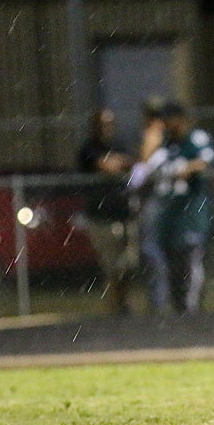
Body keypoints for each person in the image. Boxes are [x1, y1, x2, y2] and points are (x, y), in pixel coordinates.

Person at [147, 102, 214, 314]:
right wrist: (151, 141)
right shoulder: (165, 145)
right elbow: (145, 167)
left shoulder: (195, 139)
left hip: (191, 213)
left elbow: (206, 160)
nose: (167, 124)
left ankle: (191, 309)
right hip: (169, 216)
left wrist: (188, 167)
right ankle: (179, 307)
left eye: (170, 119)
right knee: (172, 267)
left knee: (191, 262)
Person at [78, 108, 138, 315]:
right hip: (102, 216)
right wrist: (118, 162)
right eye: (103, 124)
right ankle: (114, 307)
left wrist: (122, 162)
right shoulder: (88, 148)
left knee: (128, 264)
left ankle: (123, 304)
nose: (107, 128)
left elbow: (133, 163)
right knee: (112, 266)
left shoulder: (118, 145)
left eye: (110, 124)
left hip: (124, 214)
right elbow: (108, 165)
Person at [129, 97, 172, 313]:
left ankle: (159, 300)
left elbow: (143, 167)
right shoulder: (166, 134)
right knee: (156, 249)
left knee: (150, 249)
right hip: (163, 197)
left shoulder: (153, 134)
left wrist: (131, 183)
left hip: (154, 197)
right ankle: (161, 299)